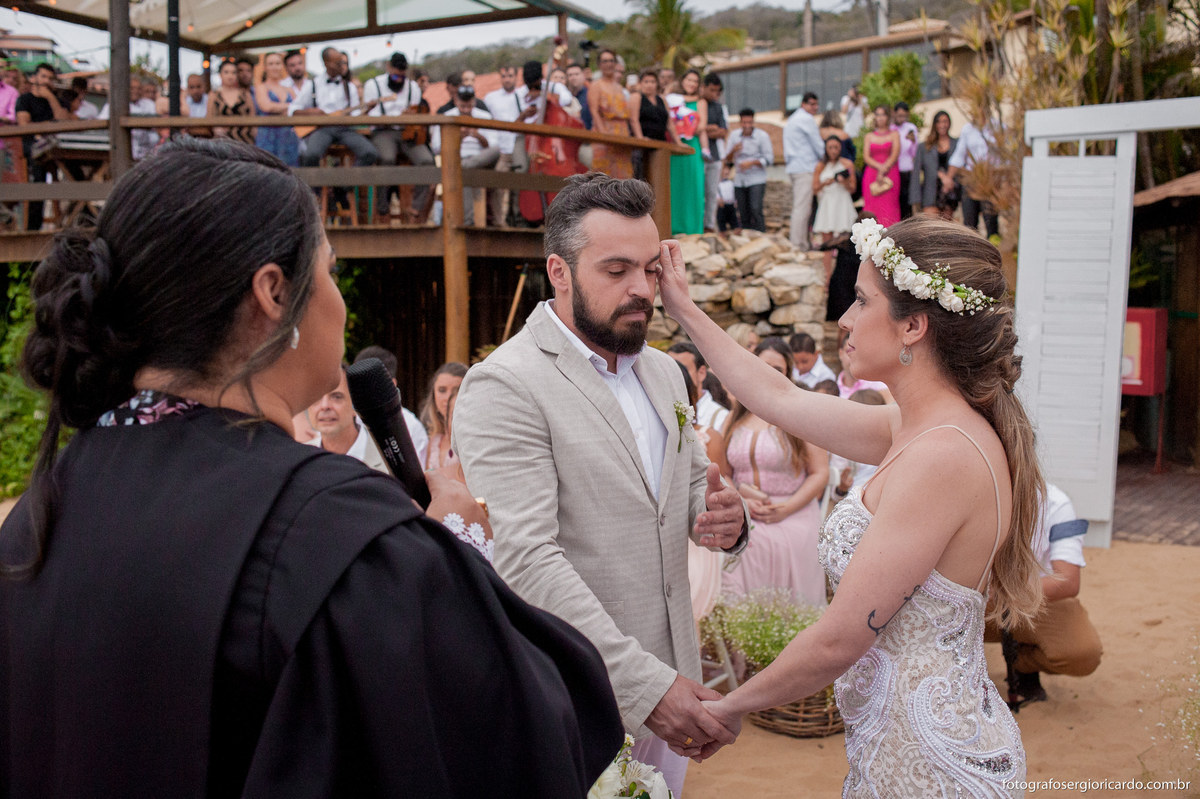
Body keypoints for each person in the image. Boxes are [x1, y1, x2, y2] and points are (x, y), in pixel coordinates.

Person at [0, 137, 623, 796]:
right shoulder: (336, 539)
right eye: (328, 270)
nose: (339, 302)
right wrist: (443, 548)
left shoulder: (39, 516)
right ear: (273, 291)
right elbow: (531, 735)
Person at [656, 214, 1043, 796]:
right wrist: (683, 308)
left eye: (861, 301)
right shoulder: (914, 427)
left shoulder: (942, 454)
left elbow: (840, 638)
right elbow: (777, 395)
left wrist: (727, 707)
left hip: (927, 760)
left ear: (913, 325)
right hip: (897, 739)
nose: (845, 319)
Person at [453, 173, 747, 796]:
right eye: (616, 270)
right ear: (558, 272)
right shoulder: (505, 384)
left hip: (675, 681)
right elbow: (525, 560)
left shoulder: (666, 373)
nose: (641, 289)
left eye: (648, 268)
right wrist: (645, 688)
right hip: (572, 693)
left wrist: (726, 518)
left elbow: (692, 487)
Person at [721, 337, 829, 608]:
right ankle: (745, 640)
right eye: (761, 365)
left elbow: (819, 473)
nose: (767, 373)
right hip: (745, 511)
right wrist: (739, 501)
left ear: (787, 374)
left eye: (777, 369)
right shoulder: (734, 417)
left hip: (793, 511)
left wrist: (787, 508)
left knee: (770, 542)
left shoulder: (800, 414)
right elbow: (723, 473)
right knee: (740, 541)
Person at [990, 484, 1102, 710]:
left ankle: (1022, 664)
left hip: (1028, 600)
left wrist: (1003, 594)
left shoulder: (1054, 502)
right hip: (967, 599)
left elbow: (1068, 581)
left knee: (1082, 654)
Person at [364, 52, 434, 222]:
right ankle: (383, 208)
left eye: (401, 76)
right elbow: (368, 116)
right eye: (395, 75)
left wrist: (410, 116)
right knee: (386, 158)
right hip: (383, 131)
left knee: (427, 161)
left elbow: (417, 114)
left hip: (407, 132)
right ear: (388, 68)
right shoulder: (373, 85)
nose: (398, 79)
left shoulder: (413, 88)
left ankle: (416, 208)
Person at [289, 47, 379, 170]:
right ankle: (314, 188)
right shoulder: (313, 85)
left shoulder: (349, 86)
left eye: (342, 62)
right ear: (326, 63)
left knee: (370, 153)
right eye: (338, 63)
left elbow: (356, 115)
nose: (342, 66)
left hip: (345, 128)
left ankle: (343, 185)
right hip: (322, 129)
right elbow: (293, 109)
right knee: (311, 155)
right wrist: (310, 112)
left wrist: (367, 109)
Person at [429, 86, 498, 226]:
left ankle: (468, 221)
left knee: (496, 151)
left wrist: (476, 134)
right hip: (457, 157)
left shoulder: (485, 116)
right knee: (463, 171)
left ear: (474, 101)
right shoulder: (447, 116)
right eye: (462, 106)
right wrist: (458, 136)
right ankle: (468, 222)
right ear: (456, 101)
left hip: (479, 158)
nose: (466, 109)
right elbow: (437, 147)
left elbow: (492, 145)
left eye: (469, 105)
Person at [352, 344, 429, 467]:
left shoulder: (410, 426)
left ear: (391, 384)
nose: (363, 391)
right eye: (359, 385)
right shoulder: (348, 420)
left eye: (370, 384)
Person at [14, 62, 68, 231]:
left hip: (58, 148)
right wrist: (49, 124)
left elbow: (65, 121)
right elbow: (24, 124)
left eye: (50, 78)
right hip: (33, 148)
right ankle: (33, 228)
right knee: (38, 177)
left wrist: (50, 98)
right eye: (43, 76)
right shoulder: (25, 99)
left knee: (77, 170)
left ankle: (79, 215)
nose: (46, 81)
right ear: (35, 77)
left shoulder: (57, 101)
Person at [305, 365, 389, 472]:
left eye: (337, 397)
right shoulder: (299, 459)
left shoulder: (387, 460)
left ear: (356, 405)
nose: (325, 406)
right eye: (317, 397)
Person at [587, 49, 639, 179]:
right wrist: (605, 134)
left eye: (611, 61)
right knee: (603, 177)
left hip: (622, 134)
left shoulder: (620, 88)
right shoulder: (596, 85)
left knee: (623, 177)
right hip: (604, 132)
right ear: (599, 65)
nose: (608, 64)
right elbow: (594, 110)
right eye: (605, 61)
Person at [667, 69, 708, 235]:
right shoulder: (672, 99)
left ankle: (694, 228)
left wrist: (686, 125)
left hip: (692, 145)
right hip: (675, 146)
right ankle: (674, 225)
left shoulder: (701, 102)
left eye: (695, 81)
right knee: (675, 184)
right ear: (682, 81)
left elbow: (702, 125)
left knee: (694, 184)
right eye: (689, 80)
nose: (691, 84)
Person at [947, 112, 1000, 239]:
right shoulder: (968, 129)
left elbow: (1002, 156)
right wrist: (949, 178)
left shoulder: (997, 126)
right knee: (969, 220)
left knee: (990, 219)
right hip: (971, 179)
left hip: (990, 178)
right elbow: (958, 156)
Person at [783, 92, 824, 250]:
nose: (815, 108)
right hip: (804, 167)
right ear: (804, 104)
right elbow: (818, 145)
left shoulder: (792, 119)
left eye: (816, 104)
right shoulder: (806, 119)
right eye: (812, 104)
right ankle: (798, 244)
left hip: (796, 166)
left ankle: (802, 242)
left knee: (802, 207)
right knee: (802, 208)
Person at [724, 108, 772, 233]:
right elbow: (727, 160)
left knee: (756, 209)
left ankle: (761, 235)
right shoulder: (734, 136)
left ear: (753, 121)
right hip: (740, 180)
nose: (747, 126)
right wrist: (734, 150)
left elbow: (769, 159)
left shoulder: (762, 136)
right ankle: (747, 238)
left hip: (757, 179)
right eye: (744, 123)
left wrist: (751, 163)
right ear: (740, 122)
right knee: (742, 211)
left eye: (749, 122)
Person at [667, 341, 729, 430]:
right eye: (669, 369)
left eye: (683, 369)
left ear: (701, 373)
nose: (674, 375)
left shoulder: (720, 417)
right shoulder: (659, 409)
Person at [911, 110, 958, 220]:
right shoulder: (925, 146)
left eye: (945, 121)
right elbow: (916, 173)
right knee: (931, 228)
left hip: (949, 193)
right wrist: (915, 198)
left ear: (949, 123)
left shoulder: (956, 144)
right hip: (930, 193)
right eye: (939, 122)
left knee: (946, 230)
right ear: (935, 124)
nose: (942, 125)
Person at [420, 360, 467, 470]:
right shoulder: (433, 441)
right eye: (442, 390)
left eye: (456, 390)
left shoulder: (472, 438)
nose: (448, 397)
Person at [254, 52, 299, 166]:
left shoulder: (289, 89)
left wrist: (281, 107)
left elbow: (299, 108)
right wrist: (289, 106)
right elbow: (266, 106)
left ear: (282, 66)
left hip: (288, 136)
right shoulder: (261, 87)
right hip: (268, 135)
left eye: (277, 63)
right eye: (271, 63)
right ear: (265, 67)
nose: (274, 67)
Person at [811, 136, 857, 244]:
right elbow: (814, 189)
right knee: (827, 240)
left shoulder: (847, 164)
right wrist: (825, 183)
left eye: (836, 147)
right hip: (827, 202)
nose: (833, 151)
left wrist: (843, 181)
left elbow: (853, 189)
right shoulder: (820, 166)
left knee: (845, 239)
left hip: (843, 201)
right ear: (826, 148)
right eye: (830, 147)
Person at [862, 104, 901, 226]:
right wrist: (879, 168)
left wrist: (884, 169)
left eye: (883, 114)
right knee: (872, 208)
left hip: (890, 174)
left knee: (890, 207)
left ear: (888, 117)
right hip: (872, 175)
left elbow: (895, 154)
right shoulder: (869, 136)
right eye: (877, 115)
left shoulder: (894, 134)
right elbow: (866, 157)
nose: (880, 118)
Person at [701, 74, 729, 233]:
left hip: (715, 156)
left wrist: (707, 129)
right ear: (703, 87)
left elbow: (723, 131)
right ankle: (697, 224)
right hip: (698, 156)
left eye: (717, 91)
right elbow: (698, 129)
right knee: (699, 192)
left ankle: (709, 226)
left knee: (712, 192)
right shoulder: (697, 103)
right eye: (711, 90)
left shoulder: (718, 107)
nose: (714, 94)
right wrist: (709, 128)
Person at [835, 327, 891, 401]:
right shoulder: (831, 386)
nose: (853, 357)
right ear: (840, 354)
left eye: (858, 352)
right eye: (849, 352)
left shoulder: (879, 386)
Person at [208, 60, 256, 145]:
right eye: (226, 72)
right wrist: (215, 128)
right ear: (220, 75)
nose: (230, 76)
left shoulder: (245, 94)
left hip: (245, 141)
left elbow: (253, 116)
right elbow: (209, 117)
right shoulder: (214, 95)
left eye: (233, 72)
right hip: (222, 142)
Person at [892, 102, 919, 220]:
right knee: (895, 201)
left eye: (903, 116)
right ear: (894, 114)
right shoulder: (891, 128)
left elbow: (914, 153)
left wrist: (913, 142)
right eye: (899, 115)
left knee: (907, 201)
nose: (901, 118)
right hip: (894, 170)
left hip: (907, 169)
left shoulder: (910, 128)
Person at [566, 62, 592, 129]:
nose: (573, 77)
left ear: (583, 76)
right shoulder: (564, 96)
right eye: (570, 75)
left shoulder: (590, 94)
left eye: (576, 74)